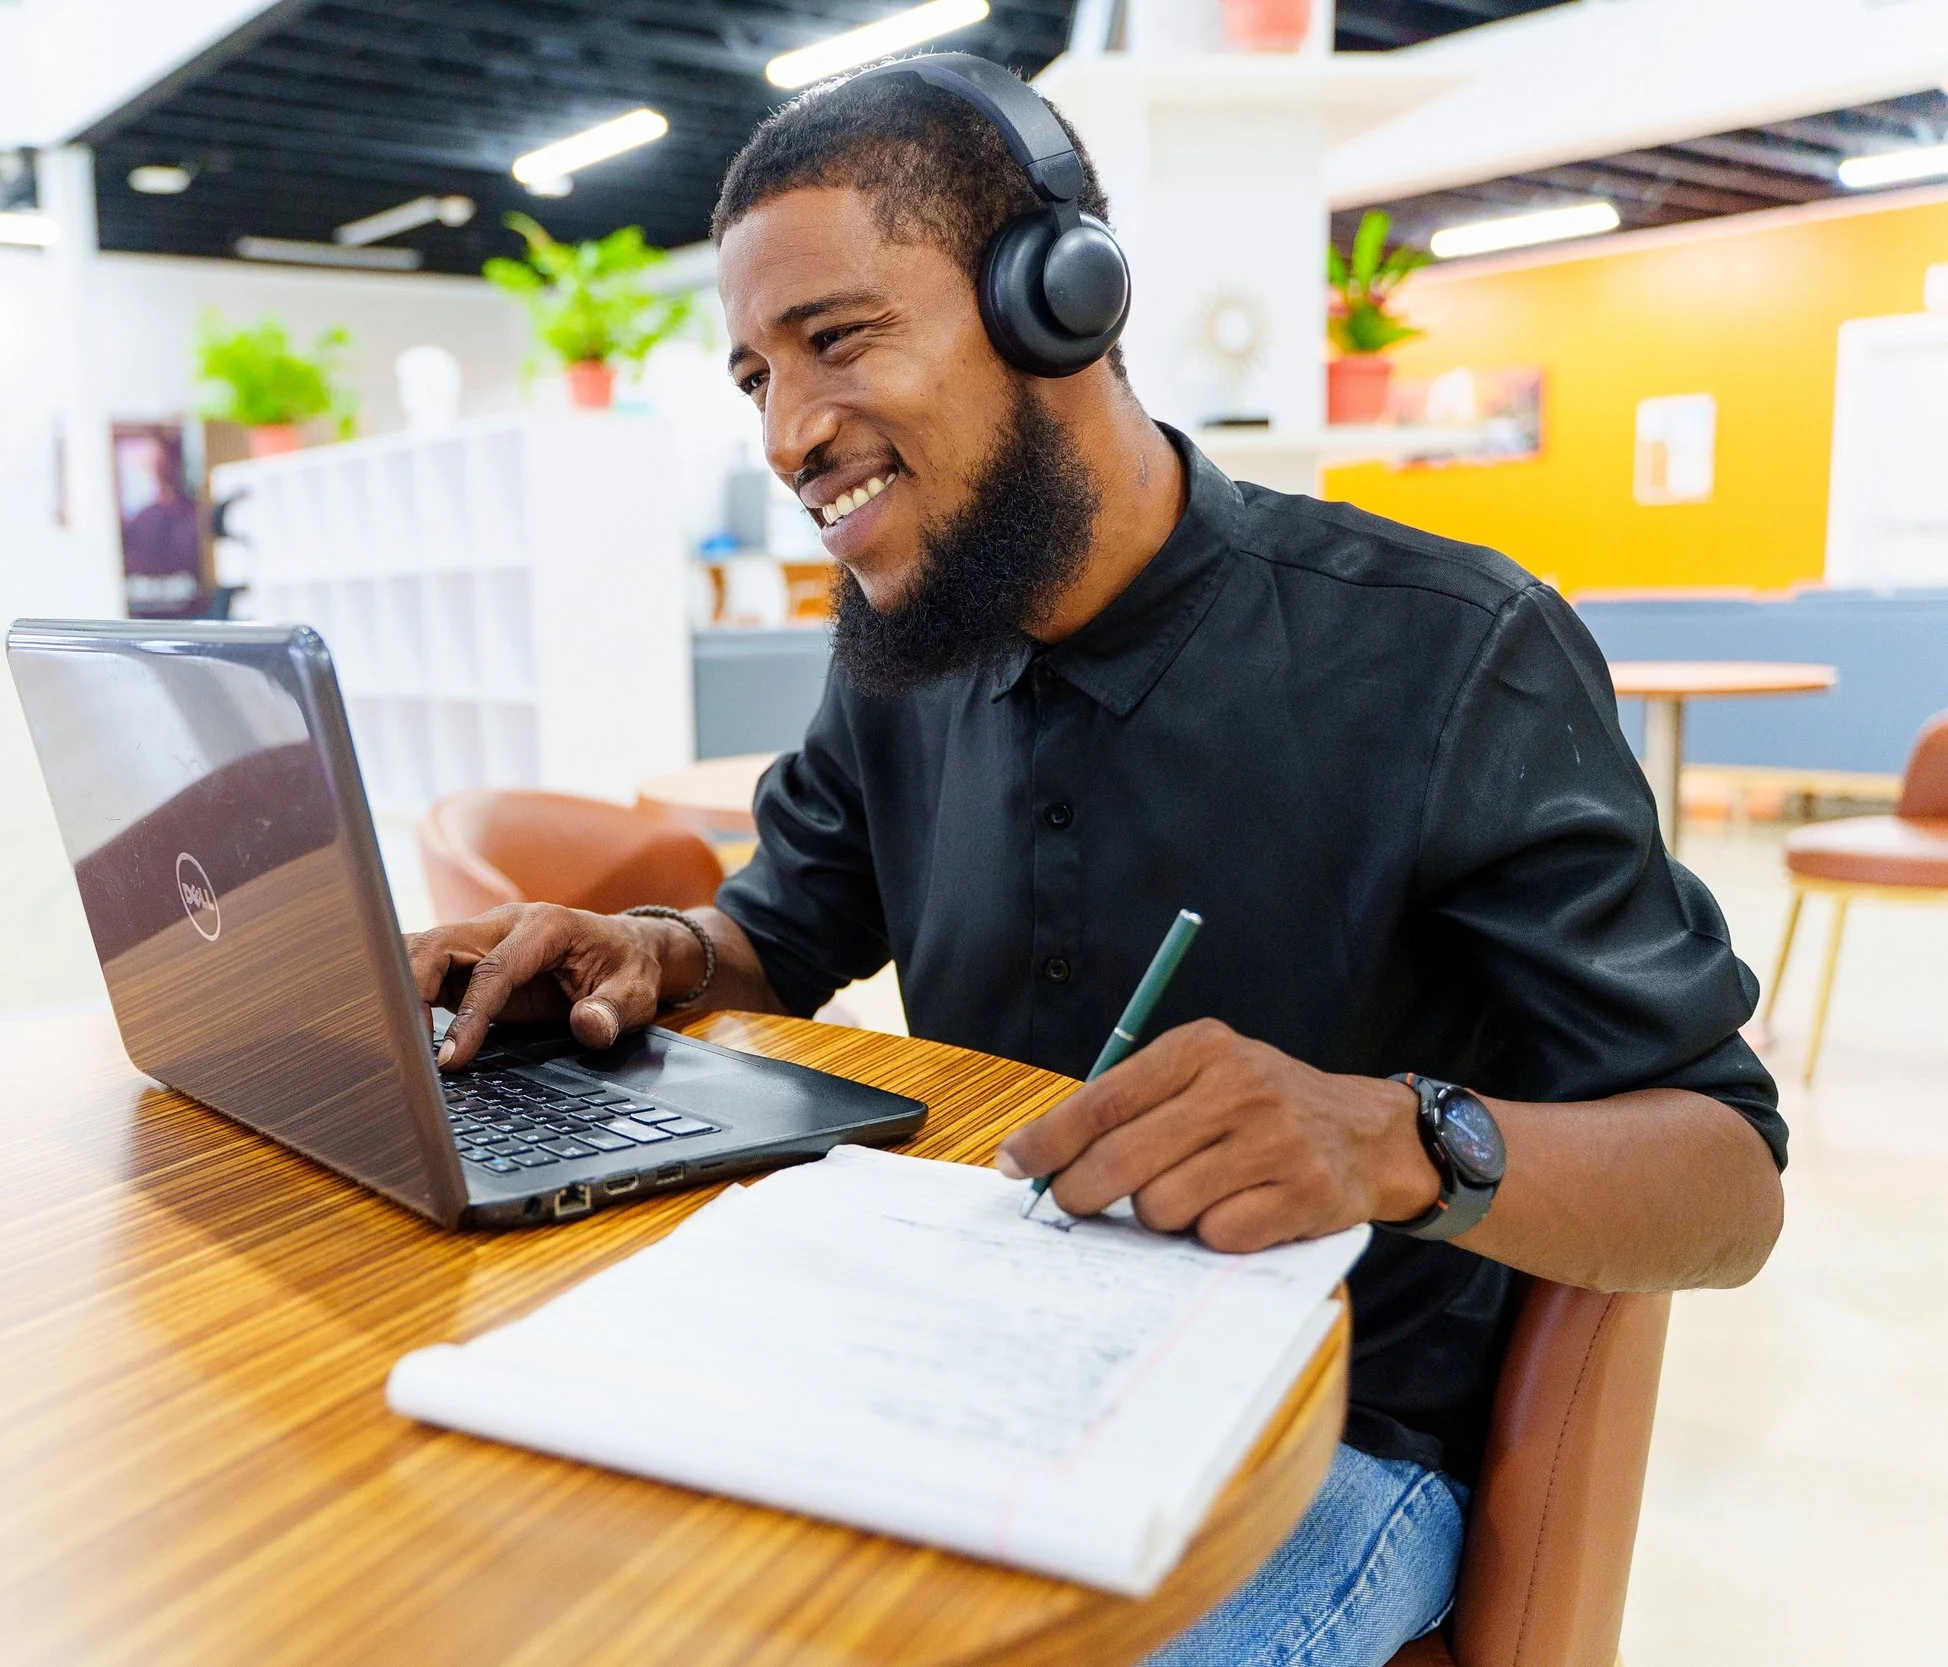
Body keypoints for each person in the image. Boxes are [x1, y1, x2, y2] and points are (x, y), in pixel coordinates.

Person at [406, 64, 1784, 1667]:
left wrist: (1398, 1141)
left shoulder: (1450, 652)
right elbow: (781, 925)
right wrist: (646, 945)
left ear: (1058, 302)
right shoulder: (897, 650)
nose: (788, 433)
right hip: (974, 1365)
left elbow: (1728, 1181)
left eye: (837, 341)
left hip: (1328, 1440)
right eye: (753, 378)